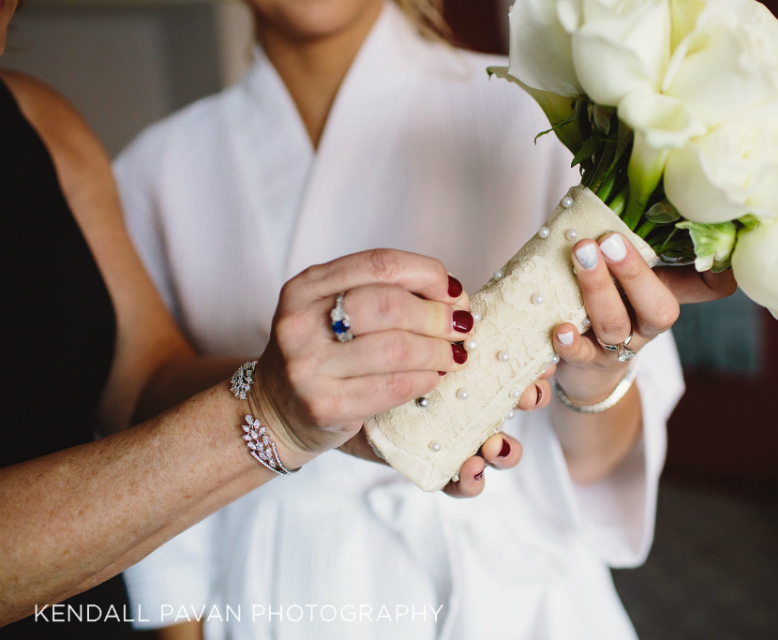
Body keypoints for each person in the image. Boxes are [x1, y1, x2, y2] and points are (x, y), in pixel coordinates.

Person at [114, 0, 736, 638]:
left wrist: (596, 374)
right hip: (277, 592)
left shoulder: (551, 113)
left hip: (509, 598)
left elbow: (603, 473)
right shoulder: (152, 172)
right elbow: (149, 449)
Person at [0, 0, 529, 634]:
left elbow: (141, 388)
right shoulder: (161, 161)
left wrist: (326, 398)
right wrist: (270, 417)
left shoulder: (46, 125)